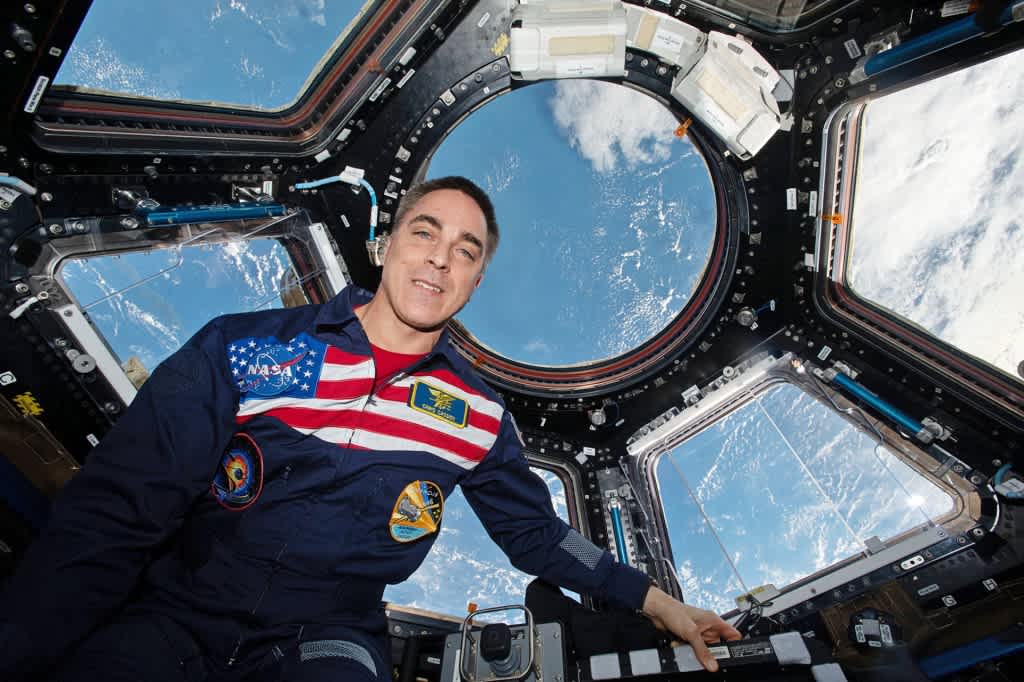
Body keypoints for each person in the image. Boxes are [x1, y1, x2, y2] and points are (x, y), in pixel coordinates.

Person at [0, 176, 740, 681]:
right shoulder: (247, 345)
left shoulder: (478, 416)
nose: (441, 258)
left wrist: (659, 603)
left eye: (466, 250)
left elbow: (540, 537)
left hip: (328, 639)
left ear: (475, 282)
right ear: (387, 244)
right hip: (177, 613)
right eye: (426, 232)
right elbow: (121, 506)